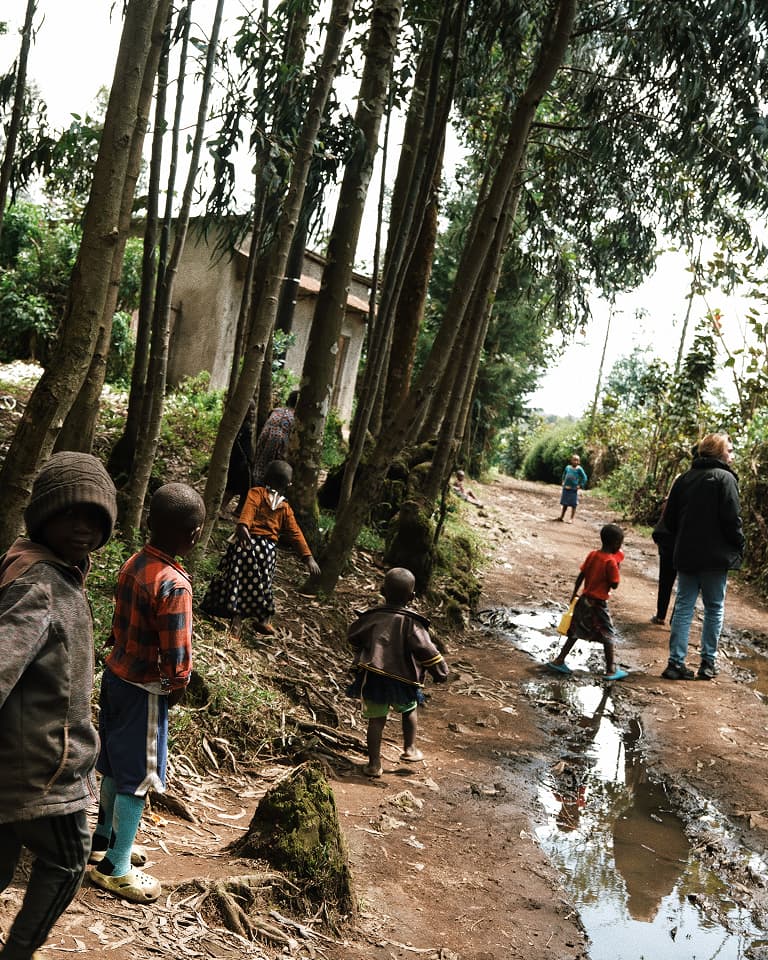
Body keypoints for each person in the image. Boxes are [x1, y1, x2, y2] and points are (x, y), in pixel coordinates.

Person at [0, 452, 117, 959]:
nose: (83, 528)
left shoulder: (34, 566)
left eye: (95, 518)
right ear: (44, 515)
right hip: (43, 768)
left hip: (22, 759)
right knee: (69, 862)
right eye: (71, 514)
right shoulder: (40, 583)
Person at [89, 483, 205, 904]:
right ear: (193, 535)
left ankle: (102, 840)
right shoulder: (175, 584)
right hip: (145, 690)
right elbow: (178, 654)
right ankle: (115, 867)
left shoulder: (133, 563)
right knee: (138, 777)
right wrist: (177, 688)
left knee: (114, 765)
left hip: (115, 677)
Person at [347, 567, 449, 777]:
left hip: (373, 676)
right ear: (412, 597)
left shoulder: (372, 617)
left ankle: (374, 765)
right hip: (403, 678)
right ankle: (410, 749)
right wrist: (440, 670)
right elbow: (426, 649)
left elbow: (354, 635)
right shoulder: (412, 622)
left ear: (382, 590)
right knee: (409, 708)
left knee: (376, 720)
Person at [202, 460, 320, 638]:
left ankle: (237, 621)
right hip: (267, 551)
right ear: (288, 484)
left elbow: (248, 511)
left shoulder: (256, 493)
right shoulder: (285, 507)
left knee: (237, 582)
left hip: (246, 544)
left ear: (265, 477)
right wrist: (308, 557)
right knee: (262, 584)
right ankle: (263, 619)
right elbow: (296, 533)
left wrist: (243, 526)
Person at [660, 433, 744, 681]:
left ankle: (675, 663)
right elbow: (732, 518)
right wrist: (739, 543)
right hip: (716, 558)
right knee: (714, 608)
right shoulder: (725, 478)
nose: (732, 454)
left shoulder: (684, 478)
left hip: (686, 553)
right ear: (719, 453)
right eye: (729, 450)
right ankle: (708, 663)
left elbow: (670, 518)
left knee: (684, 606)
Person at [547, 523, 628, 681]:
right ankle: (610, 670)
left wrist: (574, 593)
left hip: (583, 599)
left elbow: (581, 575)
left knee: (575, 631)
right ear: (616, 544)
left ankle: (559, 660)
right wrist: (618, 567)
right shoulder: (611, 562)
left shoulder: (592, 554)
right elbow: (614, 585)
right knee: (608, 635)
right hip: (598, 604)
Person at [251, 390, 298, 486]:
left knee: (260, 473)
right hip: (279, 449)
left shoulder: (275, 411)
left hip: (264, 444)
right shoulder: (295, 418)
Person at [221, 399, 257, 517]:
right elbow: (245, 447)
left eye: (253, 410)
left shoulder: (240, 425)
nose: (252, 412)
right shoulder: (244, 427)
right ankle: (229, 509)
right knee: (240, 488)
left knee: (235, 488)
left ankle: (231, 508)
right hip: (241, 463)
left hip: (238, 462)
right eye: (249, 410)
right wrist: (250, 460)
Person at [557, 453, 588, 522]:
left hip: (573, 489)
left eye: (577, 460)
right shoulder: (567, 467)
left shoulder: (579, 469)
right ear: (571, 460)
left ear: (579, 462)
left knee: (574, 504)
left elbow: (585, 478)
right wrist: (563, 481)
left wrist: (580, 485)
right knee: (565, 503)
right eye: (574, 460)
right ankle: (561, 516)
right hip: (566, 488)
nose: (575, 462)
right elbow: (564, 474)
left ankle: (571, 518)